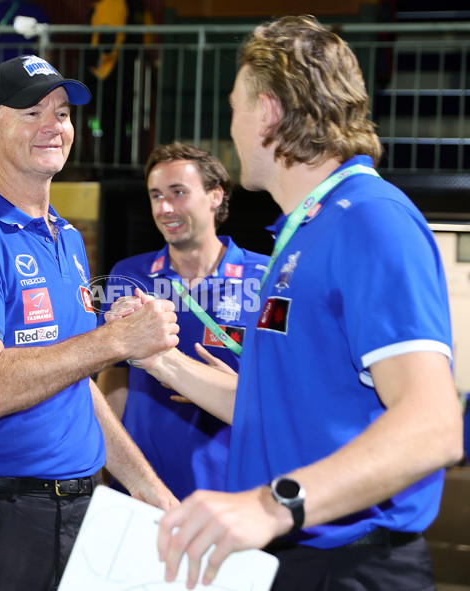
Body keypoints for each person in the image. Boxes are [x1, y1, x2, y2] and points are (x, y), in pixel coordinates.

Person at [112, 15, 464, 590]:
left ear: (269, 112)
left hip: (352, 562)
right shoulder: (302, 232)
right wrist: (156, 358)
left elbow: (433, 426)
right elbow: (277, 406)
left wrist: (273, 505)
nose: (231, 129)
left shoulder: (370, 219)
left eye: (234, 109)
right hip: (297, 556)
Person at [0, 54, 179, 591]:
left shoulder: (69, 238)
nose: (54, 125)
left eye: (61, 112)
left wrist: (151, 492)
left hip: (81, 515)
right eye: (32, 111)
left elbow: (73, 386)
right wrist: (112, 341)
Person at [96, 141, 270, 500]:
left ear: (216, 196)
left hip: (234, 494)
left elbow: (287, 385)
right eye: (156, 195)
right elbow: (114, 374)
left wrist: (235, 388)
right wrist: (103, 466)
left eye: (178, 193)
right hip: (143, 491)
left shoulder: (265, 277)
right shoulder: (129, 276)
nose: (165, 207)